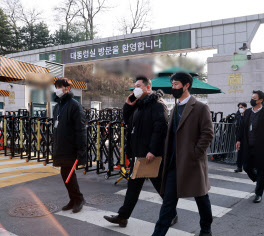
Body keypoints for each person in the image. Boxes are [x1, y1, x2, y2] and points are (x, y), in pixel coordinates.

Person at [103, 76, 178, 227]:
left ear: (148, 88)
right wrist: (128, 105)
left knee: (160, 187)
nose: (135, 88)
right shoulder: (139, 105)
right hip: (139, 154)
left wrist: (153, 150)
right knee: (134, 186)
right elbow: (128, 123)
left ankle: (172, 213)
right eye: (134, 85)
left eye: (138, 85)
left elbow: (160, 128)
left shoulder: (158, 105)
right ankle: (123, 216)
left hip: (151, 155)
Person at [152, 72, 214, 236]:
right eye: (172, 85)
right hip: (173, 164)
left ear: (186, 86)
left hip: (192, 162)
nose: (173, 87)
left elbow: (208, 133)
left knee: (201, 198)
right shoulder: (174, 108)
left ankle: (206, 230)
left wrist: (195, 153)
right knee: (168, 203)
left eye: (176, 84)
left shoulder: (200, 108)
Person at [52, 78, 87, 213]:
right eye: (56, 86)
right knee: (65, 174)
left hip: (71, 146)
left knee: (68, 174)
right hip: (61, 145)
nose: (58, 89)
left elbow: (81, 129)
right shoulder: (58, 106)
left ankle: (78, 199)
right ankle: (74, 199)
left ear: (68, 88)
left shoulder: (74, 105)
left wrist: (81, 148)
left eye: (60, 86)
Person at [236, 91, 264, 203]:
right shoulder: (248, 112)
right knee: (246, 166)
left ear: (260, 100)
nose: (252, 99)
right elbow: (242, 127)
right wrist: (238, 139)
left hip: (262, 146)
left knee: (262, 169)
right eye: (252, 97)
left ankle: (259, 193)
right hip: (247, 145)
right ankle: (257, 179)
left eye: (254, 98)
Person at [234, 102, 247, 173]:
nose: (240, 109)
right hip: (239, 136)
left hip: (247, 137)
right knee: (239, 151)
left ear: (245, 107)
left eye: (241, 107)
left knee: (247, 152)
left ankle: (248, 166)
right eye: (239, 107)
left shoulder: (249, 115)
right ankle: (239, 167)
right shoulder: (238, 115)